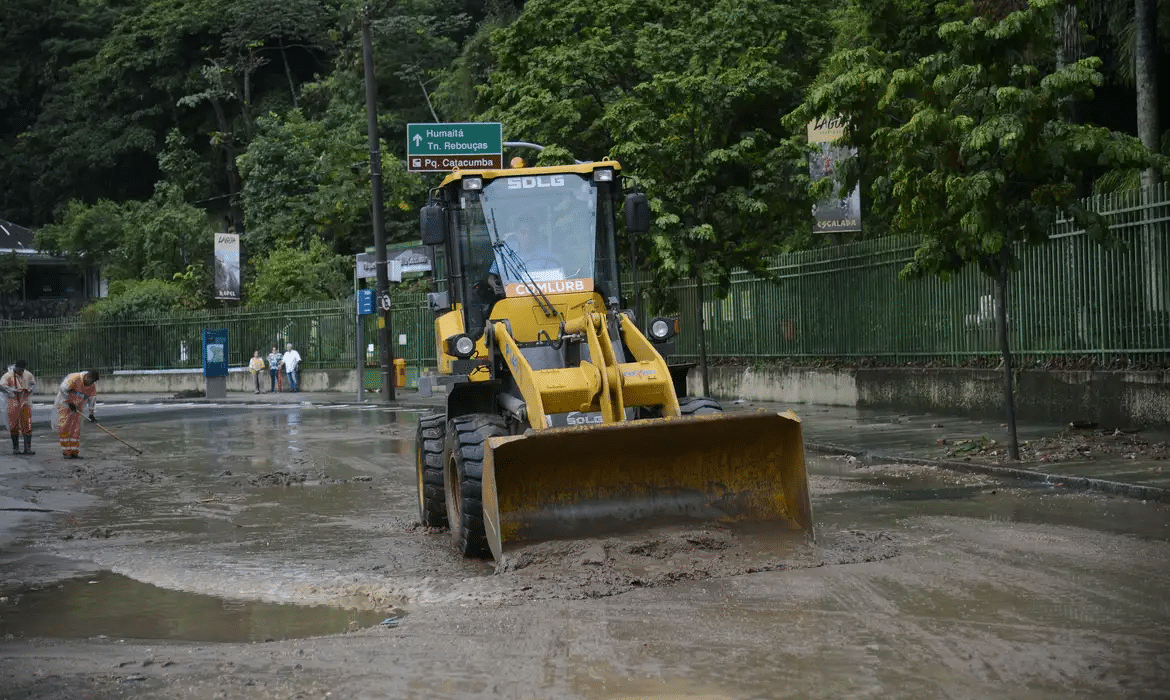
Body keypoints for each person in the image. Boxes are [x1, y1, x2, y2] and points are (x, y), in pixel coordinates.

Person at [487, 218, 559, 294]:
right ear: (516, 233)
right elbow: (492, 276)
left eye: (531, 233)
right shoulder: (505, 251)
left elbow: (557, 279)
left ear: (536, 234)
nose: (527, 237)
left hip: (542, 297)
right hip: (511, 298)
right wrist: (495, 286)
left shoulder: (546, 255)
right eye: (523, 232)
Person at [54, 369, 99, 459]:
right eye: (92, 380)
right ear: (88, 377)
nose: (92, 383)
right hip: (64, 404)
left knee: (75, 429)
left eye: (94, 382)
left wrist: (91, 413)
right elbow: (63, 389)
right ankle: (66, 452)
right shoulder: (75, 378)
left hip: (77, 407)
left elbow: (92, 400)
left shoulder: (91, 386)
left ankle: (74, 452)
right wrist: (69, 402)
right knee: (65, 428)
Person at [1, 360, 37, 455]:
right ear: (16, 368)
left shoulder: (28, 374)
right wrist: (11, 390)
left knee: (27, 424)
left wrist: (29, 390)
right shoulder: (8, 376)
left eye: (22, 370)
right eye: (19, 370)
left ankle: (27, 448)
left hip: (25, 401)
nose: (21, 372)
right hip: (13, 402)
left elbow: (33, 384)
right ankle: (16, 448)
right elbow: (2, 386)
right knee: (14, 425)